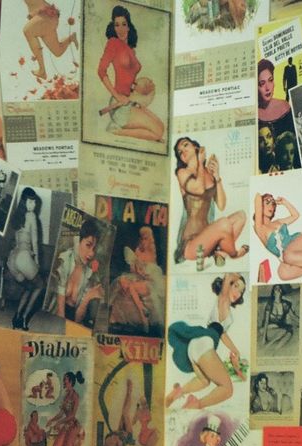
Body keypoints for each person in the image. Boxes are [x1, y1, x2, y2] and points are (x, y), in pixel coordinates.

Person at [166, 273, 247, 411]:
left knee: (204, 381)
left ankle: (177, 393)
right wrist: (237, 275)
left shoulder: (225, 309)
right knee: (227, 389)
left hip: (197, 346)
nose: (238, 293)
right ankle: (195, 405)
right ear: (227, 286)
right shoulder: (223, 301)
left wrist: (236, 351)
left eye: (241, 291)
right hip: (204, 344)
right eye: (236, 286)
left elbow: (222, 334)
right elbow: (227, 277)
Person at [172, 136, 247, 264]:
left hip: (209, 239)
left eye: (185, 145)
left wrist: (217, 176)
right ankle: (233, 254)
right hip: (191, 244)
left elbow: (221, 205)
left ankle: (219, 251)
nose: (182, 151)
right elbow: (199, 189)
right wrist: (200, 164)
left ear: (195, 147)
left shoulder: (207, 172)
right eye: (179, 152)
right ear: (181, 158)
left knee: (241, 216)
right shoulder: (182, 172)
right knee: (224, 223)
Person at [97, 6, 164, 143]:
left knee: (161, 127)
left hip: (131, 101)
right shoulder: (113, 43)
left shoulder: (131, 50)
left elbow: (128, 76)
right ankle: (116, 129)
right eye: (116, 25)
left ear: (128, 26)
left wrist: (139, 87)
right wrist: (117, 96)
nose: (120, 29)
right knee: (158, 133)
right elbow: (101, 70)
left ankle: (119, 127)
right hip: (119, 105)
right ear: (113, 28)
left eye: (123, 24)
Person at [48, 217, 103, 328]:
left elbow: (77, 319)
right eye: (88, 245)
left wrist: (87, 297)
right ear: (78, 241)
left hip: (73, 323)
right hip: (53, 319)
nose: (91, 253)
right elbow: (59, 313)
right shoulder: (65, 260)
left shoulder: (89, 273)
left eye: (94, 248)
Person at [5, 187, 45, 331]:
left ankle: (16, 318)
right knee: (40, 286)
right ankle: (24, 319)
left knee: (29, 288)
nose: (33, 205)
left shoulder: (18, 216)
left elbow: (17, 241)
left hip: (13, 259)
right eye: (30, 202)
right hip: (23, 257)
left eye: (34, 202)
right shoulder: (31, 216)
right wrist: (37, 260)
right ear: (24, 202)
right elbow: (34, 241)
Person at [254, 192, 302, 282]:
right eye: (267, 203)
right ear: (260, 207)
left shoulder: (278, 222)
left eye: (273, 204)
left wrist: (285, 202)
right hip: (288, 258)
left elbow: (295, 215)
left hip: (297, 243)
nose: (271, 206)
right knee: (282, 273)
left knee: (288, 256)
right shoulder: (260, 229)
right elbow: (257, 197)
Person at [22, 0, 77, 81]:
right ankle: (71, 38)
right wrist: (33, 15)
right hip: (49, 19)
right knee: (58, 52)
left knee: (27, 31)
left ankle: (42, 70)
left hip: (45, 17)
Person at [258, 59, 298, 162]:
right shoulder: (253, 115)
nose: (268, 88)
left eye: (270, 80)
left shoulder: (285, 106)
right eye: (262, 83)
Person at [45, 370, 85, 446]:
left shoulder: (75, 396)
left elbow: (72, 415)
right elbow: (61, 413)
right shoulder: (66, 396)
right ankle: (68, 444)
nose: (63, 381)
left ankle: (75, 444)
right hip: (66, 425)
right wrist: (52, 420)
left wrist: (59, 422)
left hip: (74, 425)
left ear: (70, 381)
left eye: (65, 380)